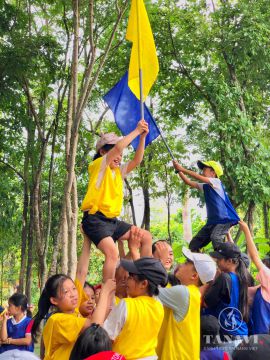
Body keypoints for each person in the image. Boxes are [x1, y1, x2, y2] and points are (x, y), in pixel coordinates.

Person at [81, 120, 152, 281]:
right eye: (115, 152)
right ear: (103, 152)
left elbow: (137, 161)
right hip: (95, 219)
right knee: (112, 254)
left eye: (121, 155)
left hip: (112, 221)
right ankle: (108, 292)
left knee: (146, 236)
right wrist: (136, 130)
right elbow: (120, 147)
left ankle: (147, 277)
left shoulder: (118, 172)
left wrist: (142, 137)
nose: (119, 156)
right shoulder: (99, 165)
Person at [31, 274, 115, 360]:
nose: (73, 294)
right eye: (66, 292)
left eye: (74, 288)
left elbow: (81, 271)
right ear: (54, 300)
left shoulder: (75, 312)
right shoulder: (58, 320)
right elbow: (95, 328)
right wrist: (105, 293)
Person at [156, 247, 217, 360]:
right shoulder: (193, 294)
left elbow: (147, 289)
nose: (181, 264)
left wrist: (158, 261)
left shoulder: (184, 293)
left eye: (186, 263)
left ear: (194, 276)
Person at [103, 257, 168, 360]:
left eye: (131, 277)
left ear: (144, 284)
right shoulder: (159, 305)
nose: (126, 280)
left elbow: (106, 336)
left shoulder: (126, 304)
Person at [173, 160, 239, 251]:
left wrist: (182, 169)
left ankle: (224, 259)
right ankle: (197, 262)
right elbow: (188, 182)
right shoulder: (205, 186)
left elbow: (197, 177)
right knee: (194, 244)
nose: (202, 172)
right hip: (212, 222)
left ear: (213, 173)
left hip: (224, 220)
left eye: (204, 169)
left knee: (215, 238)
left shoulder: (217, 182)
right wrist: (178, 170)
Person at [203, 242, 249, 338]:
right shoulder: (242, 277)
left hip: (228, 336)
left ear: (229, 261)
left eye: (219, 259)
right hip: (240, 332)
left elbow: (206, 302)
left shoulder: (224, 278)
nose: (217, 262)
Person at [239, 220, 270, 335]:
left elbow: (254, 256)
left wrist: (246, 230)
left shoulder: (268, 278)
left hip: (262, 337)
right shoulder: (262, 288)